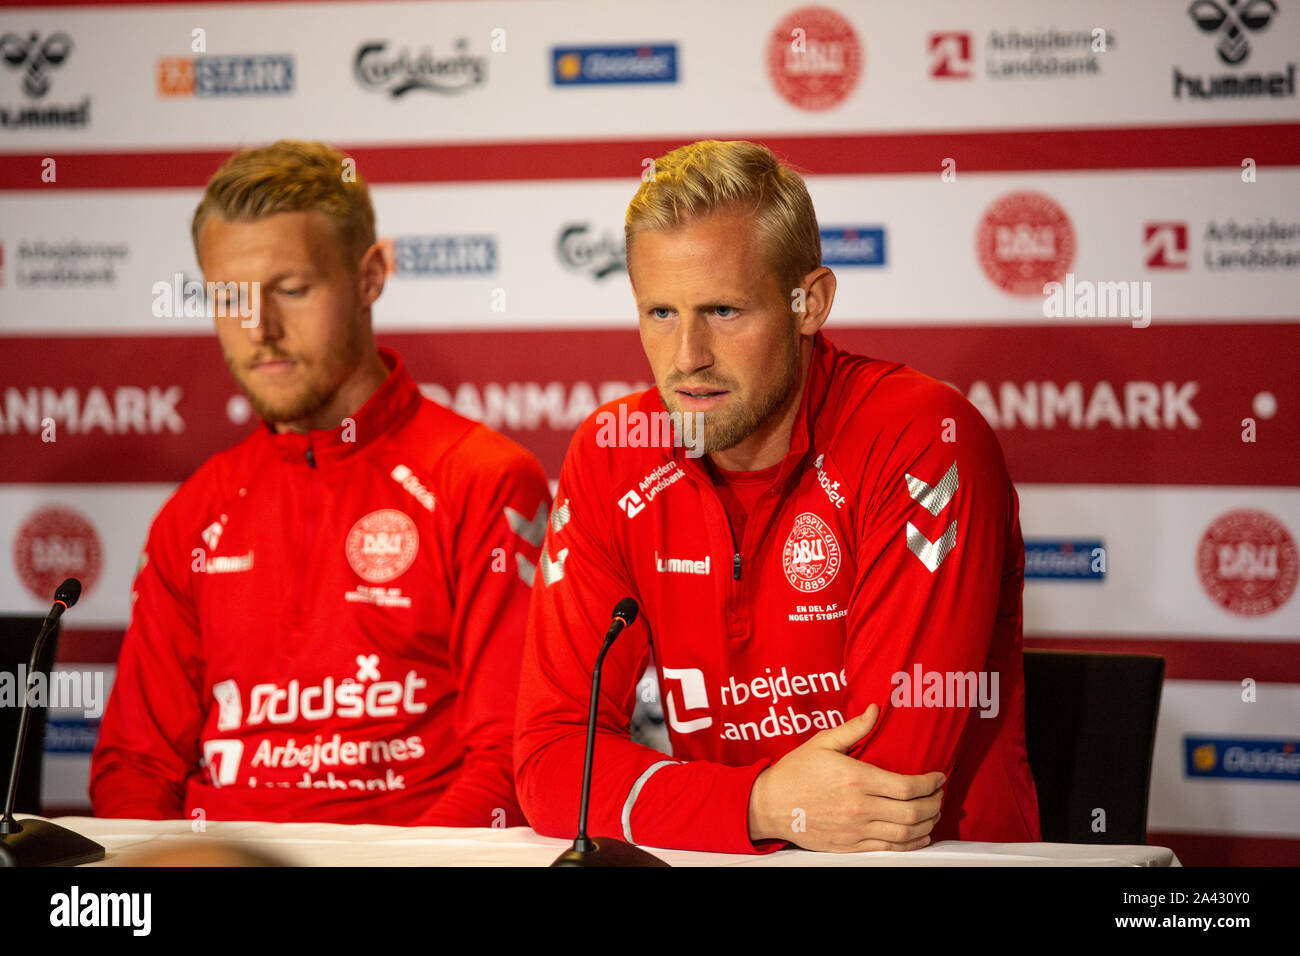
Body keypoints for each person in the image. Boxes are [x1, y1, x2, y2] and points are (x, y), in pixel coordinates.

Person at [515, 140, 1041, 853]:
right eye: (660, 313)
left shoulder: (922, 438)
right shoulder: (614, 454)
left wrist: (702, 808)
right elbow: (551, 767)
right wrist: (758, 805)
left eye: (725, 311)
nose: (686, 356)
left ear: (810, 303)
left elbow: (884, 789)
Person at [91, 140, 550, 827]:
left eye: (292, 290)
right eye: (230, 297)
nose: (259, 330)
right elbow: (138, 768)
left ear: (370, 277)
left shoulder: (481, 480)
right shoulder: (196, 511)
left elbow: (509, 761)